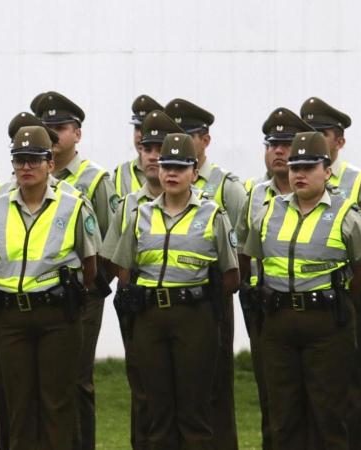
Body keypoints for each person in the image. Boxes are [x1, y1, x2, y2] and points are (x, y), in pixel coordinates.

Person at [242, 131, 361, 449]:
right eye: (294, 167)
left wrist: (333, 298)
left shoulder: (347, 216)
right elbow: (251, 257)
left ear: (327, 171)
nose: (299, 174)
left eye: (308, 167)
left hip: (327, 325)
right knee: (284, 417)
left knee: (327, 415)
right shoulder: (269, 212)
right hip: (278, 324)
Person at [112, 133, 239, 449]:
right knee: (157, 411)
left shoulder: (212, 215)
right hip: (149, 317)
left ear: (194, 173)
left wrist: (202, 304)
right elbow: (124, 265)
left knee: (194, 412)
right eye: (166, 166)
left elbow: (231, 274)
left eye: (180, 167)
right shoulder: (140, 214)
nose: (170, 173)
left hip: (194, 317)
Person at [0, 125, 97, 450]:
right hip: (11, 317)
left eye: (34, 160)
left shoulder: (73, 203)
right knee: (19, 408)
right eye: (19, 160)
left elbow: (90, 264)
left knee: (57, 406)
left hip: (58, 316)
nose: (26, 167)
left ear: (50, 164)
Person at [32, 91, 113, 450]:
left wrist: (90, 287)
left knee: (77, 381)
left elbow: (109, 243)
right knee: (42, 384)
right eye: (45, 127)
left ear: (77, 133)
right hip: (40, 296)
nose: (52, 134)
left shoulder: (94, 179)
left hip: (82, 296)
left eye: (60, 127)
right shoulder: (31, 172)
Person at [100, 109, 183, 449]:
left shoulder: (199, 205)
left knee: (187, 395)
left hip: (186, 312)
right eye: (147, 148)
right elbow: (111, 257)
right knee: (144, 391)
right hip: (139, 308)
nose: (152, 156)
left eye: (160, 149)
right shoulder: (130, 204)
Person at [166, 98, 246, 449]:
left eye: (188, 134)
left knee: (216, 385)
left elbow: (243, 244)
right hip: (172, 301)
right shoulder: (165, 180)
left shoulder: (225, 186)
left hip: (213, 297)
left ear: (205, 140)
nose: (180, 141)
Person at [235, 107, 313, 450]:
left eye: (285, 143)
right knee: (273, 395)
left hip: (315, 310)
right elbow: (241, 248)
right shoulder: (253, 194)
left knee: (318, 397)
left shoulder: (325, 193)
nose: (278, 151)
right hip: (266, 308)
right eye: (271, 144)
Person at [300, 97, 361, 449]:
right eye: (307, 131)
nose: (313, 138)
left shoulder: (358, 182)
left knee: (350, 384)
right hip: (307, 298)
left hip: (348, 294)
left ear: (339, 141)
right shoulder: (296, 175)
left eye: (322, 133)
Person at [110, 94, 163, 198]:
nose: (139, 134)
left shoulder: (173, 172)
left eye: (144, 128)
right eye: (137, 128)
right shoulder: (121, 173)